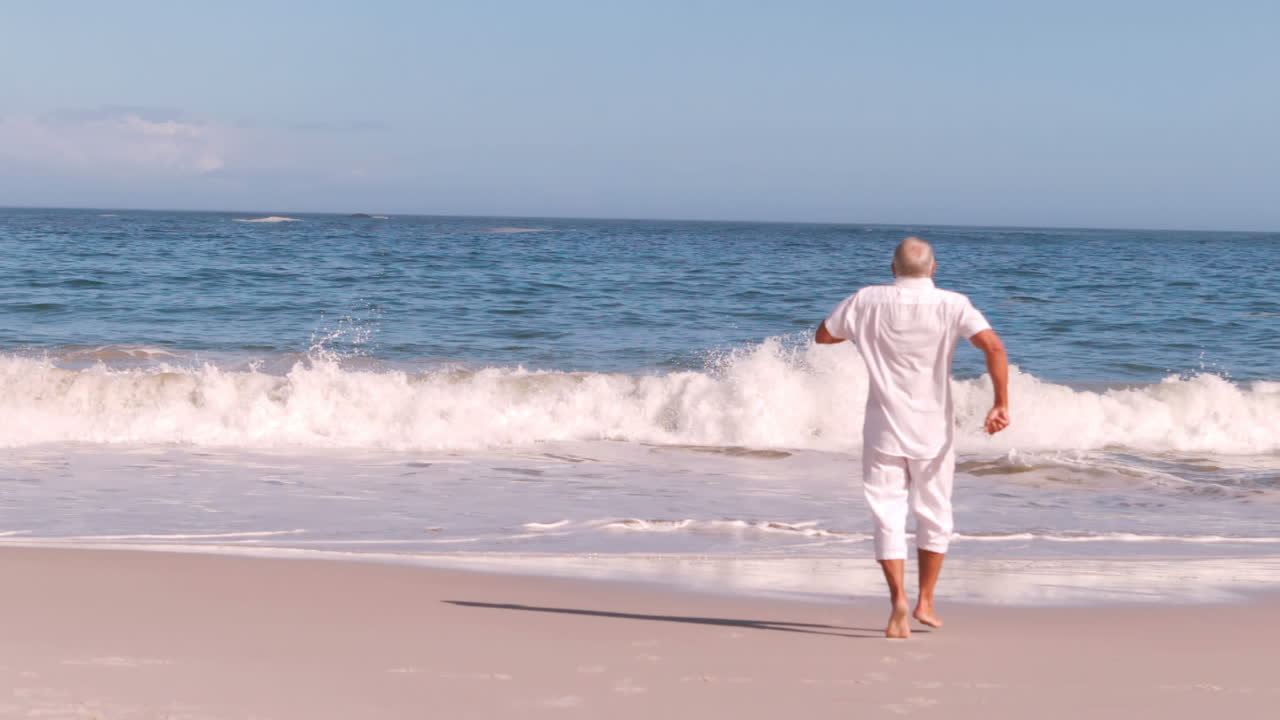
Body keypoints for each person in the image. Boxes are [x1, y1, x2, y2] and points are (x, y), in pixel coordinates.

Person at [816, 236, 1009, 639]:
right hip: (933, 429)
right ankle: (925, 600)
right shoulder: (953, 304)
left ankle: (897, 599)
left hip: (883, 426)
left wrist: (863, 332)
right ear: (934, 269)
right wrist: (1000, 403)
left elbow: (824, 335)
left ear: (892, 269)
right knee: (934, 511)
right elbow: (992, 346)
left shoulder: (866, 299)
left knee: (887, 511)